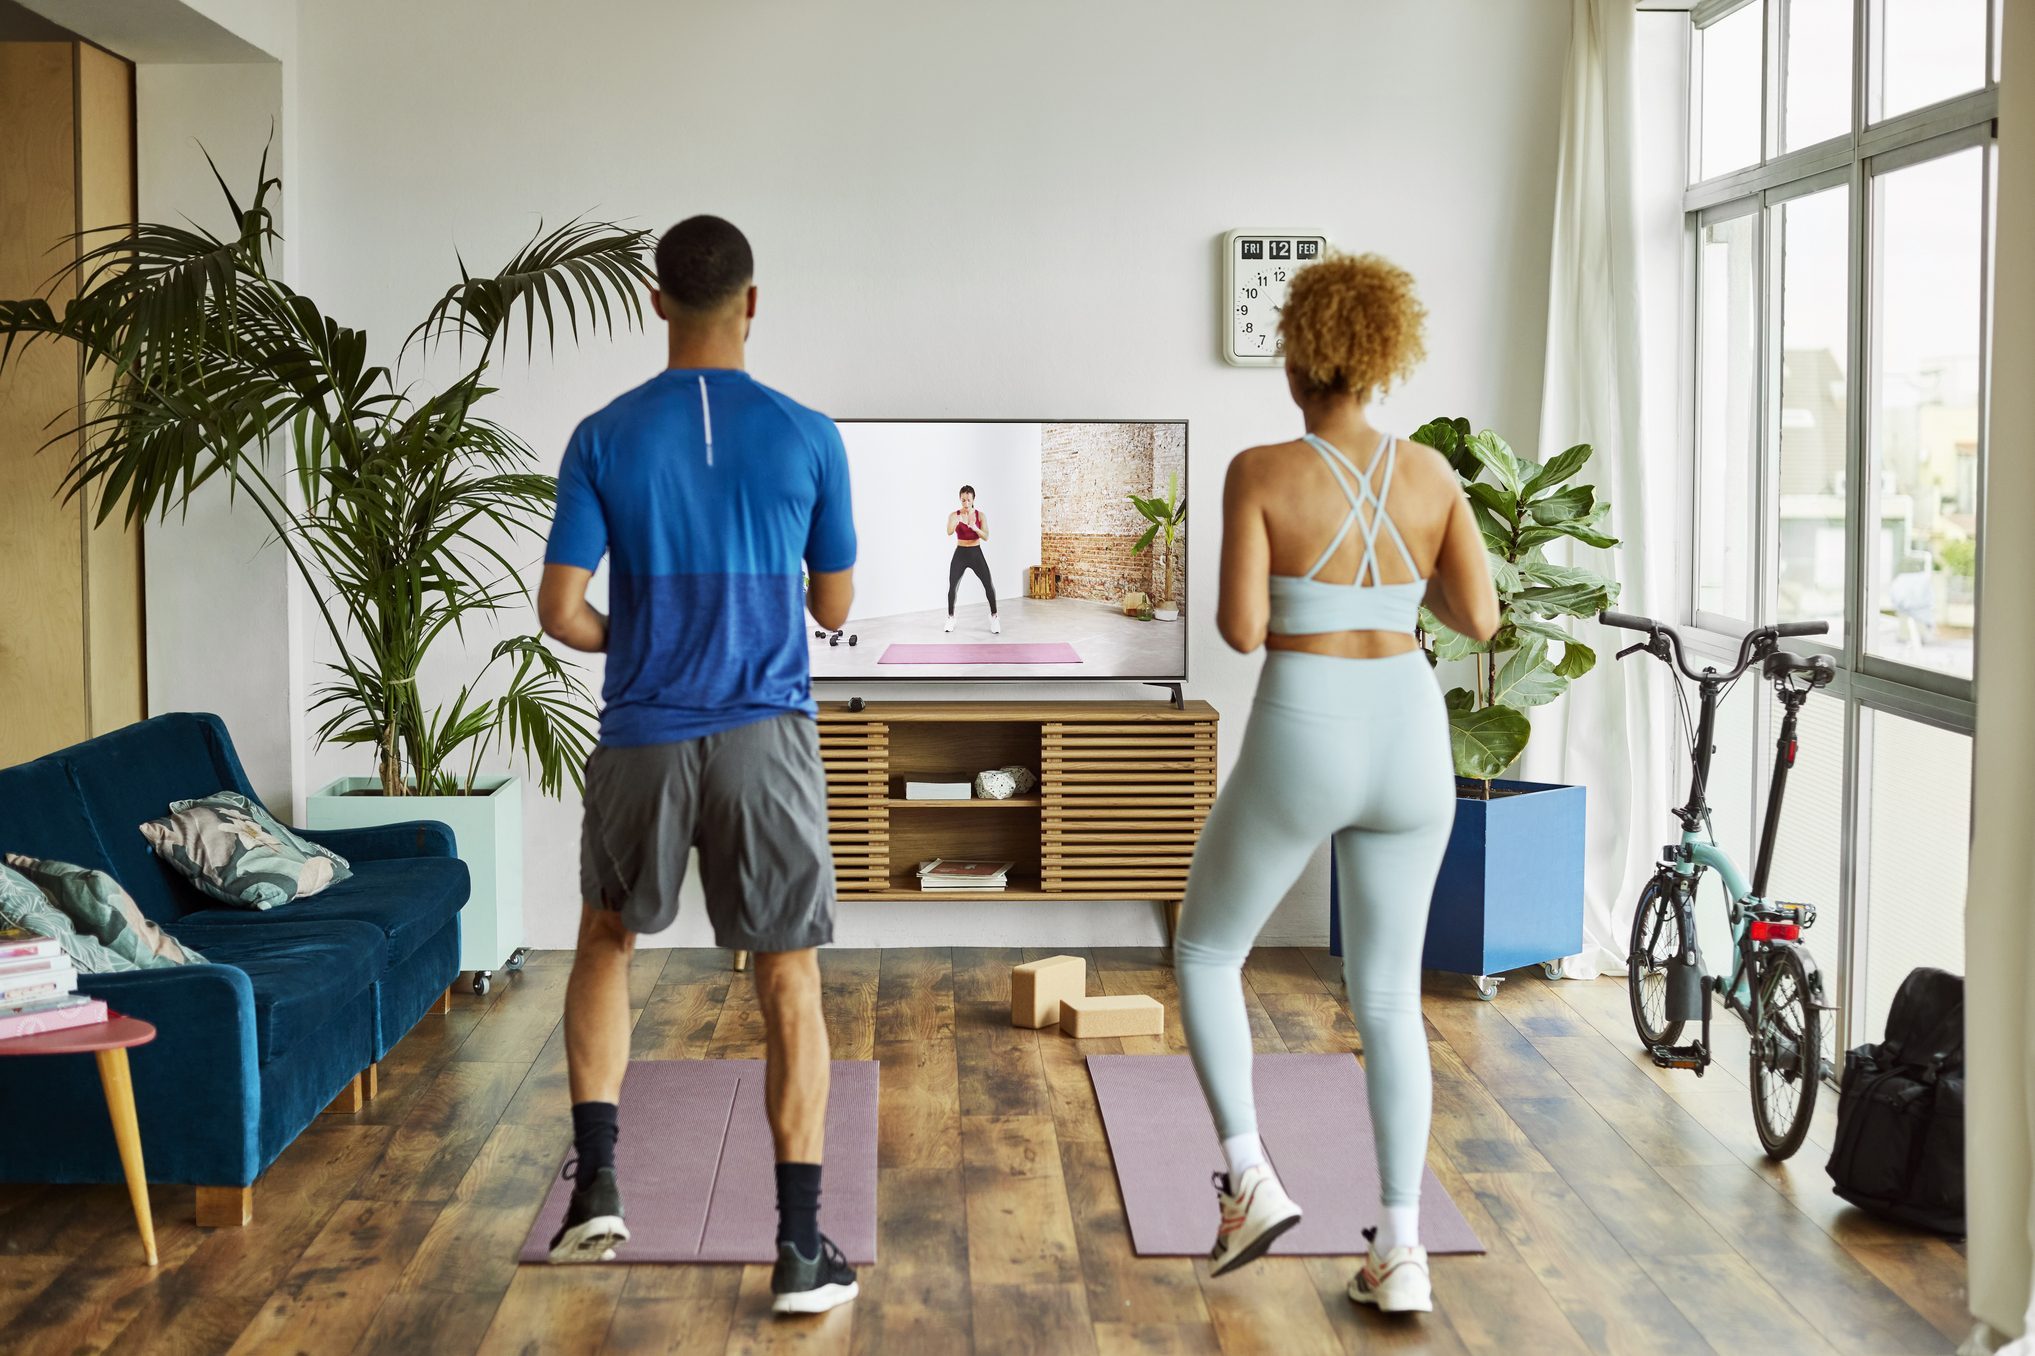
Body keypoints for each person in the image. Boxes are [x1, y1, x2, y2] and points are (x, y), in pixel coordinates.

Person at [536, 215, 861, 1317]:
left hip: (643, 734)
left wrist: (637, 638)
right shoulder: (810, 435)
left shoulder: (603, 434)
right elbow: (832, 604)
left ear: (656, 301)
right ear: (753, 303)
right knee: (788, 979)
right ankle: (801, 1252)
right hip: (766, 735)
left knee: (606, 940)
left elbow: (560, 612)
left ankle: (597, 1194)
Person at [1173, 253, 1499, 1313]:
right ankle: (1399, 1249)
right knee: (1389, 998)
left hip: (1304, 725)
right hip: (1408, 729)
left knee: (1208, 947)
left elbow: (1242, 629)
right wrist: (1393, 591)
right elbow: (1480, 620)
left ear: (1299, 355)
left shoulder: (1261, 470)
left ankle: (1249, 1178)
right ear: (1383, 353)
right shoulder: (1433, 476)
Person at [944, 484, 1000, 633]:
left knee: (988, 584)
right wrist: (956, 522)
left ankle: (994, 617)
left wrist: (975, 528)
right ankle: (950, 617)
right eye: (963, 500)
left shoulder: (980, 515)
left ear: (973, 499)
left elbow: (986, 536)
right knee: (952, 587)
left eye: (968, 500)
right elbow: (949, 532)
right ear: (960, 499)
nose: (966, 503)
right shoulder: (954, 515)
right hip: (960, 553)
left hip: (976, 553)